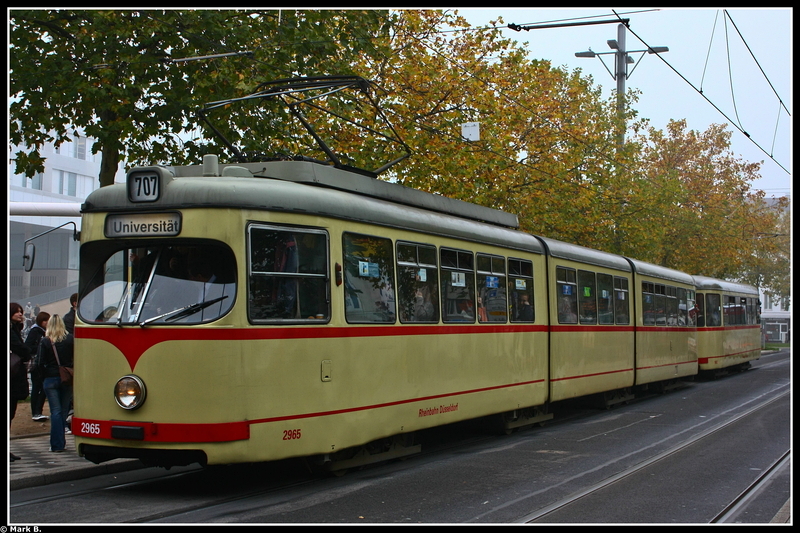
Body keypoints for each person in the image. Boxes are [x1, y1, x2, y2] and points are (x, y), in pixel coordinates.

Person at [36, 314, 74, 453]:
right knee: (63, 411)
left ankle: (57, 444)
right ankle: (60, 442)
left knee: (55, 412)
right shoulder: (70, 339)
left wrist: (43, 377)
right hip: (67, 378)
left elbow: (39, 363)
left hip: (50, 378)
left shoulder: (45, 341)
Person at [10, 302, 32, 462]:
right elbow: (20, 348)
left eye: (21, 311)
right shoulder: (11, 331)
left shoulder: (15, 329)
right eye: (17, 312)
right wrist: (27, 353)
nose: (20, 314)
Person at [24, 311, 50, 422]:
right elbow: (28, 346)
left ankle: (38, 410)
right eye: (45, 321)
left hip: (41, 363)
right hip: (36, 364)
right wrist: (41, 348)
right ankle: (36, 411)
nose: (47, 323)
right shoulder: (35, 331)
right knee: (37, 387)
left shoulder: (41, 331)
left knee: (40, 387)